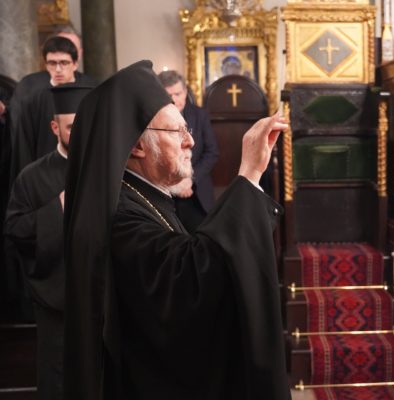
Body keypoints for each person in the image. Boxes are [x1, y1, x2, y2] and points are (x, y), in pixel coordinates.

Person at [62, 60, 290, 400]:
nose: (190, 142)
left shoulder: (148, 197)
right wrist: (248, 175)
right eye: (176, 132)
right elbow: (190, 282)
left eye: (188, 129)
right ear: (137, 146)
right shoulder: (119, 216)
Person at [4, 84, 93, 399]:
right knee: (59, 380)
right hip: (58, 299)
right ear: (55, 128)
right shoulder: (32, 176)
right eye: (71, 127)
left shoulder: (111, 169)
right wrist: (58, 207)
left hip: (104, 295)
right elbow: (15, 229)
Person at [9, 35, 96, 183]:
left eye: (64, 63)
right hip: (44, 176)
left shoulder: (92, 92)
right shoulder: (34, 98)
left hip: (86, 172)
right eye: (52, 63)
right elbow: (24, 146)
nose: (58, 69)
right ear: (45, 64)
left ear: (75, 64)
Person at [158, 70, 219, 231]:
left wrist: (190, 179)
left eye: (178, 94)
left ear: (185, 92)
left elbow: (211, 152)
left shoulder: (200, 115)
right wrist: (175, 183)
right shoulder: (153, 118)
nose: (173, 99)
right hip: (165, 193)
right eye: (168, 95)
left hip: (197, 193)